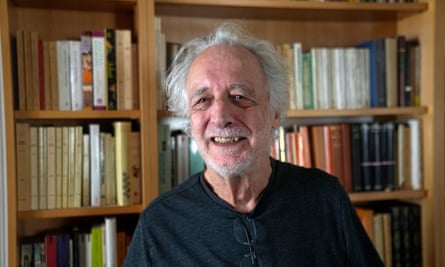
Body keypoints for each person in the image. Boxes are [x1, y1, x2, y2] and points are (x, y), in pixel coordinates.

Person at [124, 21, 384, 266]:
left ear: (274, 113)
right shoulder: (158, 225)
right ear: (189, 122)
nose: (221, 117)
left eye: (239, 96)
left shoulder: (325, 198)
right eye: (202, 100)